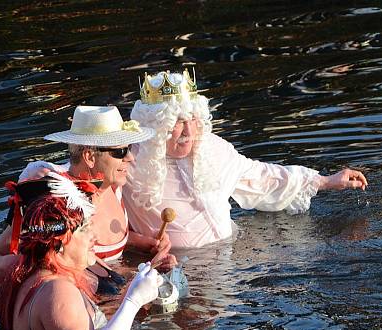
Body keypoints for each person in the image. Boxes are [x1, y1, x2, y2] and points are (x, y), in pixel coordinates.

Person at [124, 69, 369, 248]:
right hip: (178, 270)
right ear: (156, 126)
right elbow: (105, 225)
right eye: (177, 122)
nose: (188, 132)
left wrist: (325, 181)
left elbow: (259, 177)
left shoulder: (211, 149)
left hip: (233, 257)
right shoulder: (127, 163)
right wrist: (139, 243)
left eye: (192, 120)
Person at [0, 106, 175, 289]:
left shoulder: (113, 187)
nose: (130, 158)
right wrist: (37, 264)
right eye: (120, 152)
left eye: (129, 149)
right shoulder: (53, 201)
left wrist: (142, 243)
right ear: (89, 157)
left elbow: (105, 244)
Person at [0, 172, 162, 330]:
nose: (94, 237)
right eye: (84, 229)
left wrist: (132, 291)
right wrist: (133, 301)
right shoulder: (57, 289)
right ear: (58, 242)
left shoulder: (30, 273)